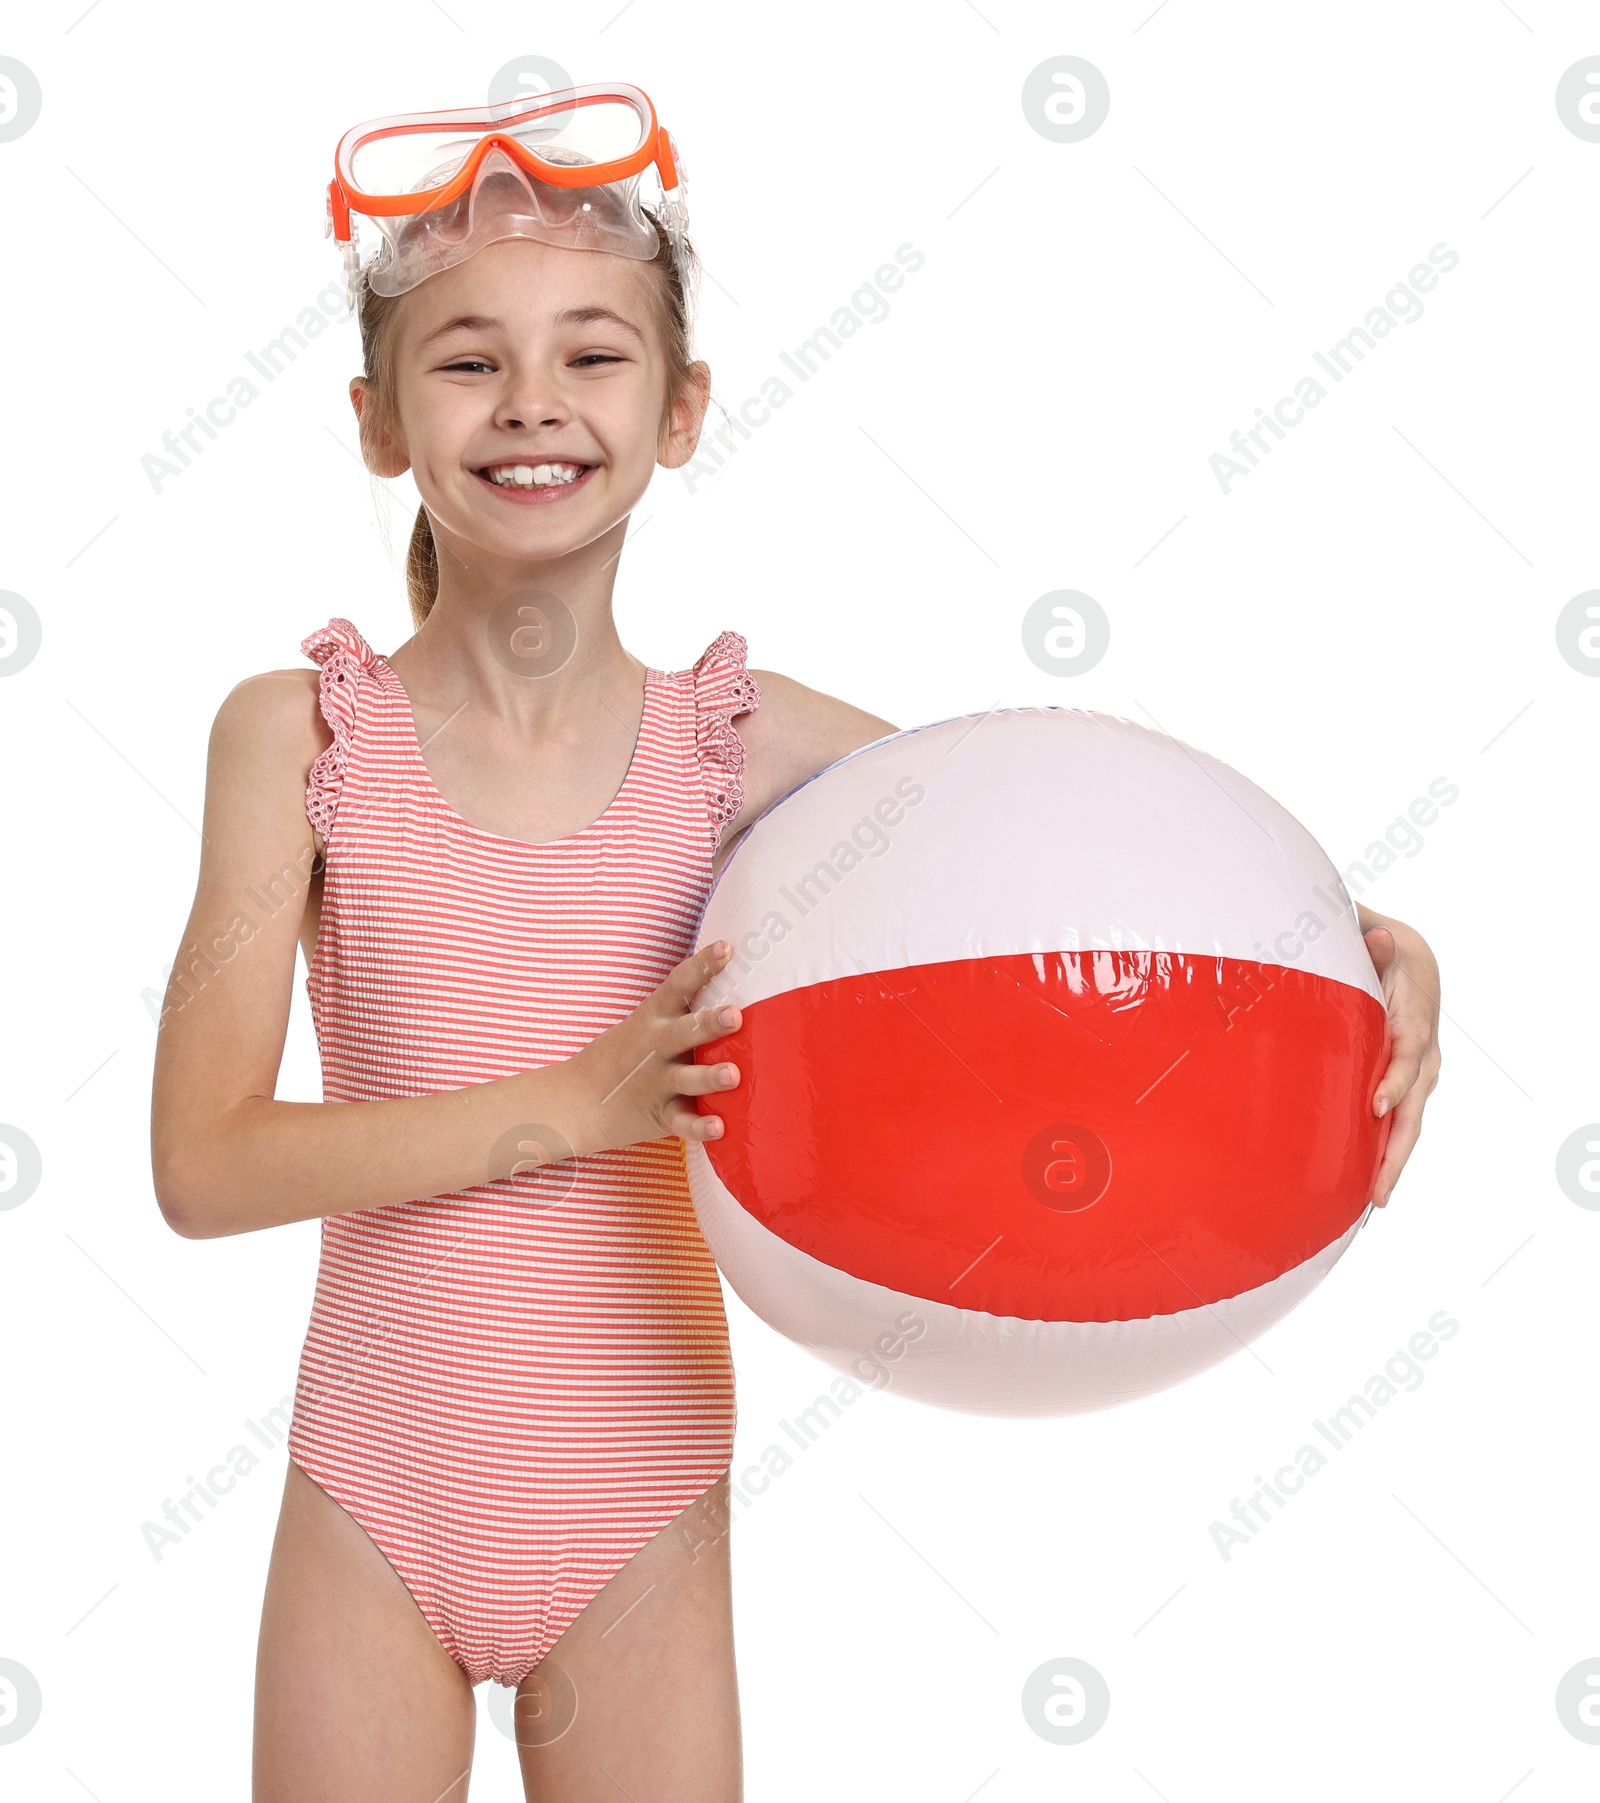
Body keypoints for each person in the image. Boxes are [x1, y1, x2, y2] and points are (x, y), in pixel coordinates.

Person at [148, 83, 1442, 1803]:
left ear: (680, 410)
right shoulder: (301, 735)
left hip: (641, 1515)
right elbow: (201, 1162)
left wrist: (1361, 951)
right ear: (378, 420)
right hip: (374, 1498)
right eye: (467, 361)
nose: (533, 402)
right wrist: (580, 1104)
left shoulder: (741, 745)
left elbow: (1064, 862)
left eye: (594, 355)